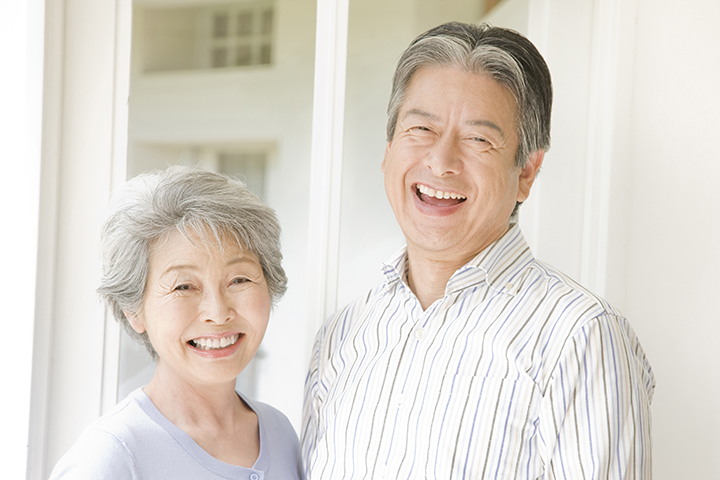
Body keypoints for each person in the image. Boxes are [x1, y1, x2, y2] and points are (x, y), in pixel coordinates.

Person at [302, 22, 654, 479]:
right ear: (389, 149)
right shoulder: (341, 336)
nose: (440, 162)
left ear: (527, 172)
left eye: (478, 139)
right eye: (421, 128)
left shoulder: (580, 338)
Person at [50, 166, 302, 479]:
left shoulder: (281, 435)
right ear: (134, 310)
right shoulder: (111, 458)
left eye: (239, 279)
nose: (218, 312)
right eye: (183, 286)